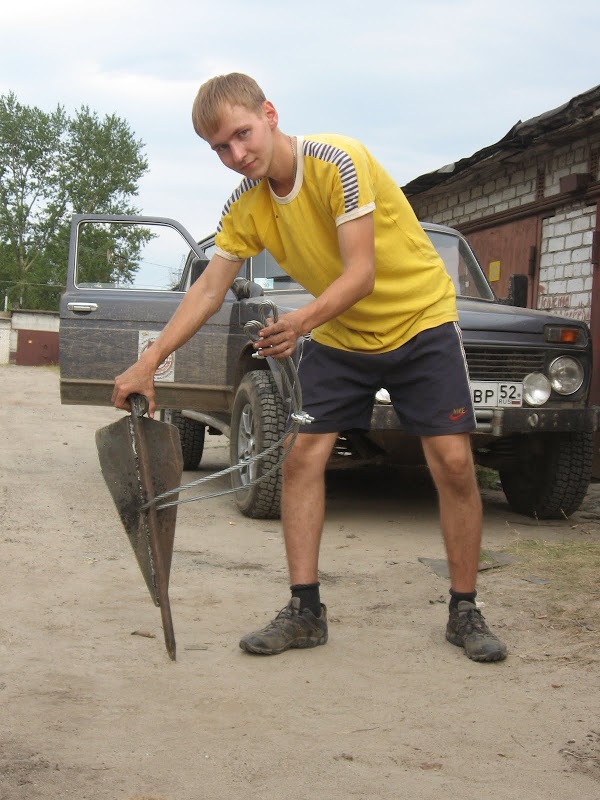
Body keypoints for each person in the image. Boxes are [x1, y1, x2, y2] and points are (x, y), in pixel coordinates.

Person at [112, 72, 507, 663]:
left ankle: (465, 608)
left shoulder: (337, 162)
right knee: (303, 459)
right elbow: (206, 292)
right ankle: (305, 610)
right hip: (342, 332)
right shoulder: (245, 208)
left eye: (242, 134)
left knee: (452, 462)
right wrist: (149, 361)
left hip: (419, 319)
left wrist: (298, 323)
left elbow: (361, 275)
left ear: (269, 113)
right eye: (220, 147)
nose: (237, 155)